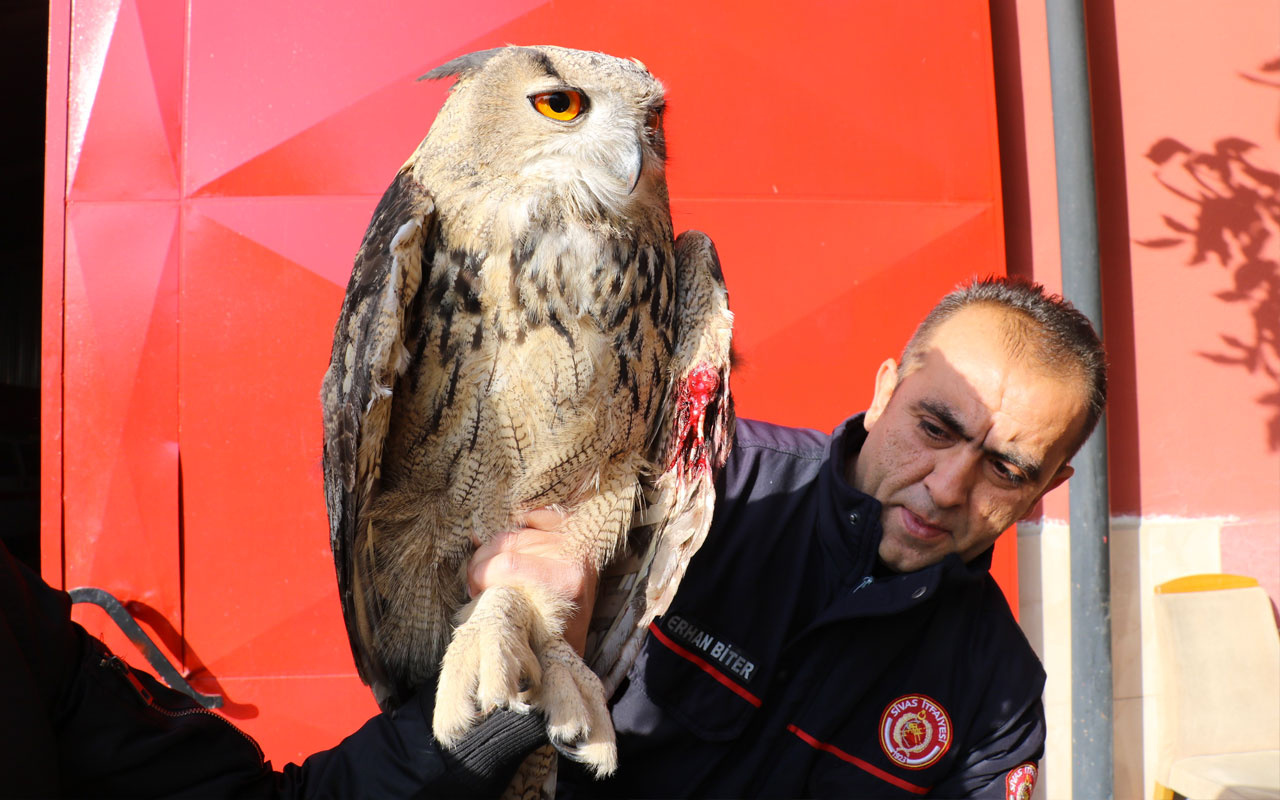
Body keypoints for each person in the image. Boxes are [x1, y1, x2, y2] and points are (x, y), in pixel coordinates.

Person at [528, 276, 1105, 797]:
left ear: (1049, 487)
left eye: (1005, 470)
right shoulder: (701, 487)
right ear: (884, 395)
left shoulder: (998, 695)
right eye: (933, 429)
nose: (950, 488)